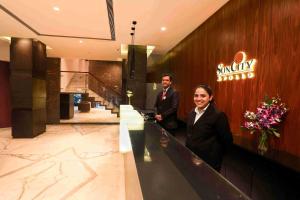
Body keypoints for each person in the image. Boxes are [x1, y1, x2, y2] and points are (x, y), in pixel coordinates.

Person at [185, 84, 233, 172]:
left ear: (210, 97)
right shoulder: (192, 112)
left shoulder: (218, 115)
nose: (198, 99)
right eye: (196, 95)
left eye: (203, 96)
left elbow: (227, 140)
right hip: (191, 156)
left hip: (208, 162)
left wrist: (216, 156)